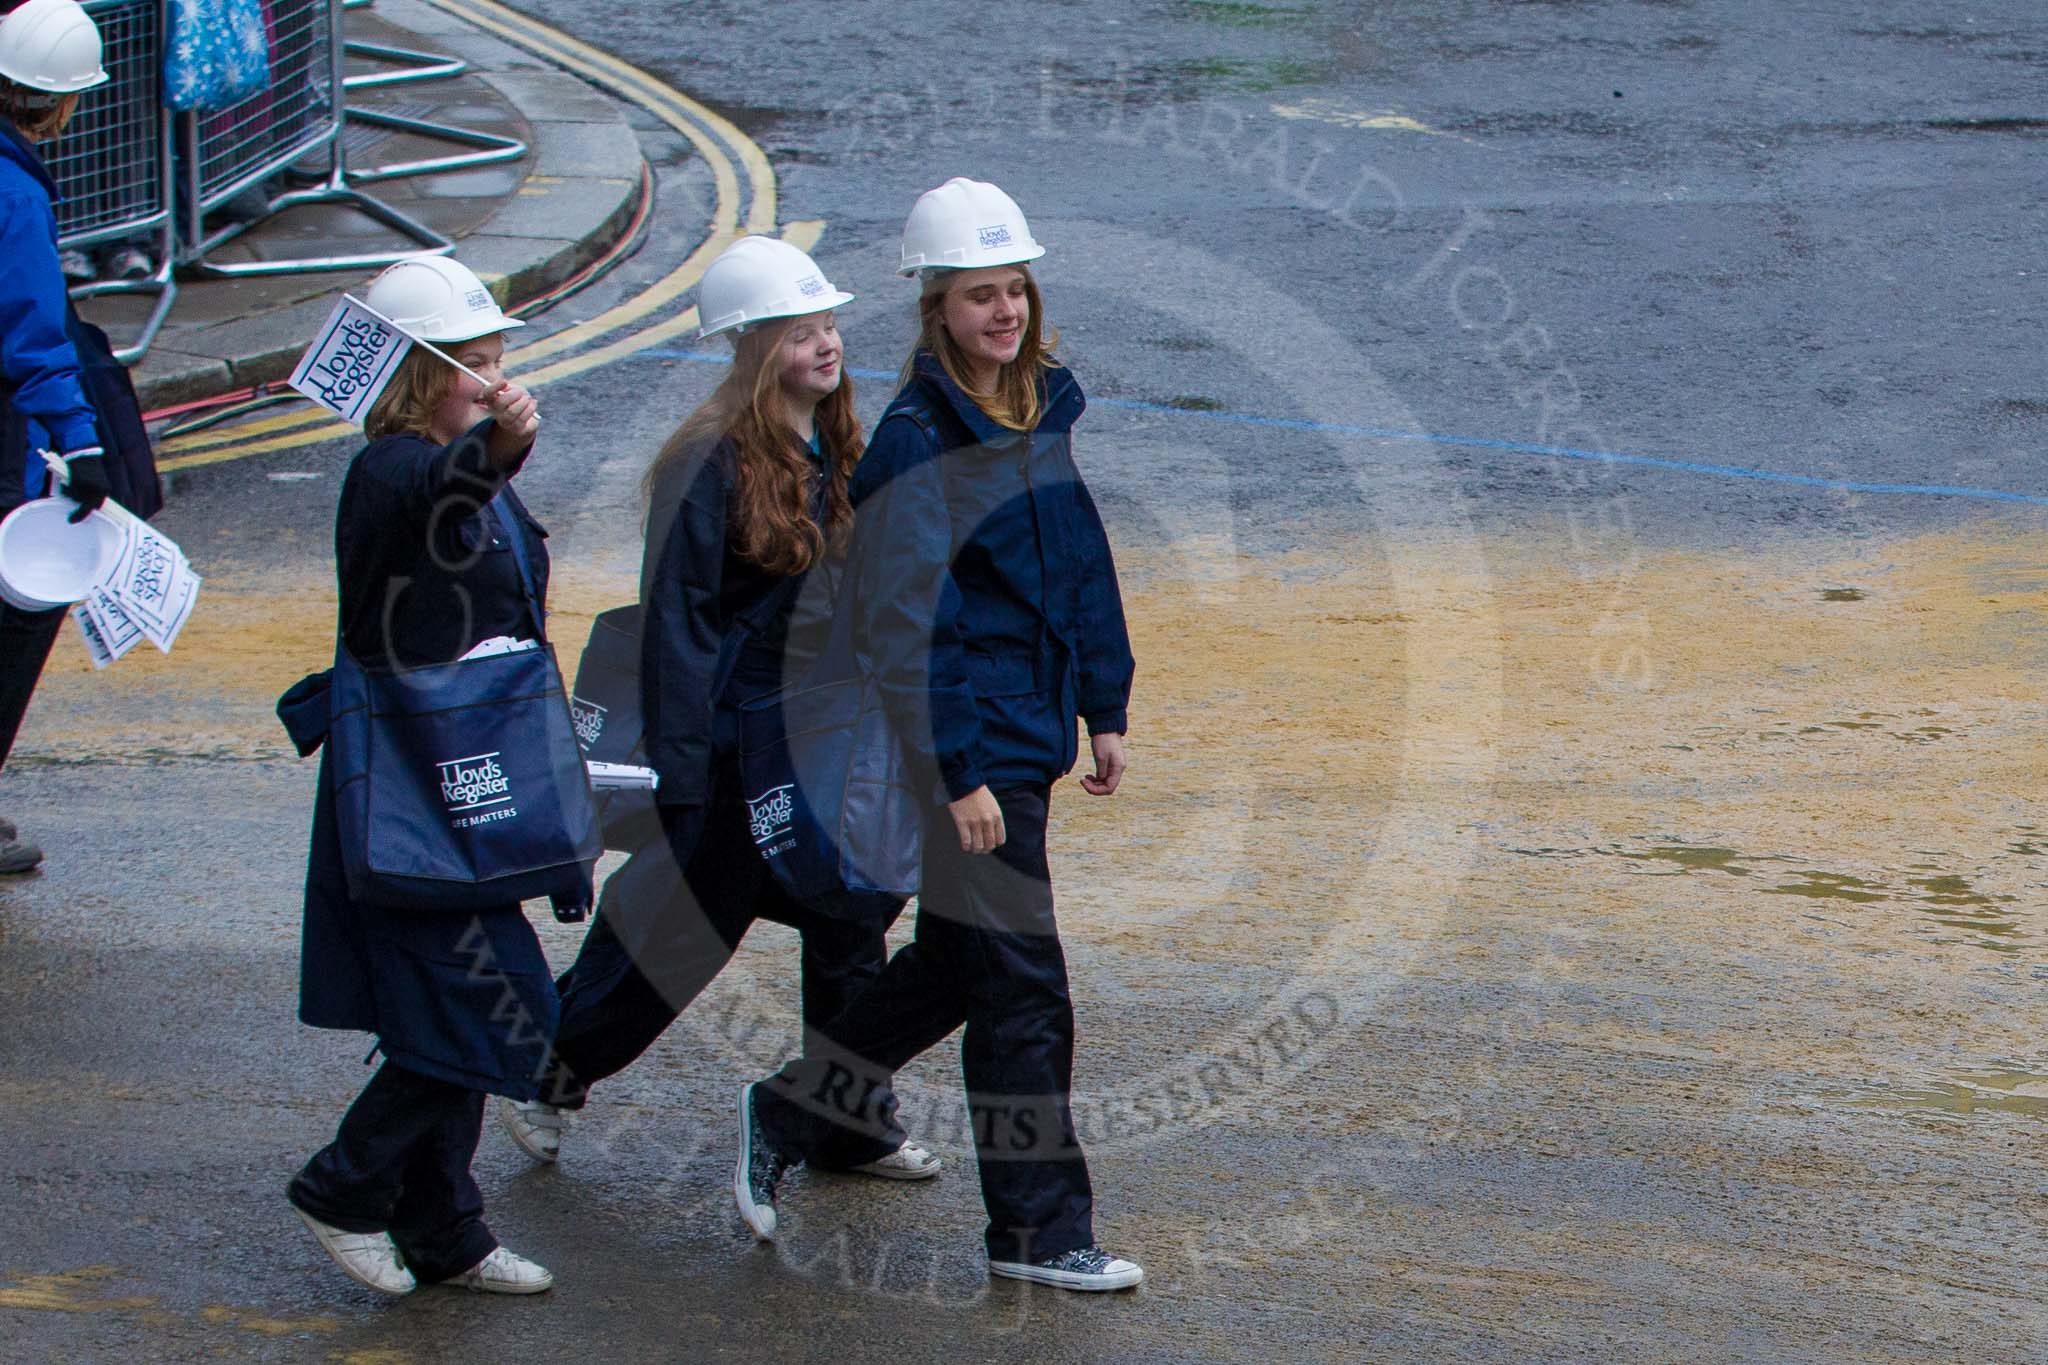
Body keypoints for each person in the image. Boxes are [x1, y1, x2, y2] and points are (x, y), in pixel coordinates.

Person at [734, 179, 1143, 1292]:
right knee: (1022, 987)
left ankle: (791, 1105)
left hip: (1027, 729)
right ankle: (1037, 1234)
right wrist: (957, 774)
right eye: (978, 295)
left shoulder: (1038, 403)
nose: (1003, 312)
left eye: (1014, 289)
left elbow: (1078, 563)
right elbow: (908, 627)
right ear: (936, 309)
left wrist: (1103, 701)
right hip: (968, 749)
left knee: (959, 966)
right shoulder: (917, 443)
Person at [502, 236, 939, 1183]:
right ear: (751, 348)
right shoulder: (707, 458)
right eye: (799, 332)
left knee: (852, 916)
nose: (826, 344)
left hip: (820, 737)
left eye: (828, 324)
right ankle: (550, 1069)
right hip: (738, 748)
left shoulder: (838, 441)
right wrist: (687, 770)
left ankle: (847, 1120)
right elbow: (678, 626)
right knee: (673, 938)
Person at [283, 255, 560, 1297]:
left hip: (460, 778)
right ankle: (343, 1187)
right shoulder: (395, 467)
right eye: (472, 365)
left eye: (499, 362)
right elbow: (440, 495)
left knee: (450, 1008)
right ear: (415, 374)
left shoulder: (445, 462)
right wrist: (502, 443)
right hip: (408, 784)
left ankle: (444, 1226)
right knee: (499, 1000)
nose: (493, 380)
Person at [0, 0, 115, 874]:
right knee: (16, 618)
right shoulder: (14, 190)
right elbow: (35, 332)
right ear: (57, 104)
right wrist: (81, 444)